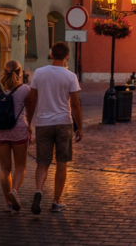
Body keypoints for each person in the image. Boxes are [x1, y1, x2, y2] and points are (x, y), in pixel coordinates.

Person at [29, 41, 82, 214]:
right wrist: (79, 127)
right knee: (61, 163)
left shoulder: (39, 73)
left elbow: (32, 100)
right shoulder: (70, 76)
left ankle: (38, 190)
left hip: (43, 123)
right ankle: (56, 201)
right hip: (63, 123)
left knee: (42, 162)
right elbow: (75, 104)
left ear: (52, 55)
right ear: (67, 56)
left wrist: (28, 123)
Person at [0, 60, 34, 212]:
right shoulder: (25, 89)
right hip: (18, 130)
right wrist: (29, 126)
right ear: (20, 72)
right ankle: (14, 191)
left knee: (4, 169)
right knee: (20, 166)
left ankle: (7, 203)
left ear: (3, 71)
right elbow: (29, 111)